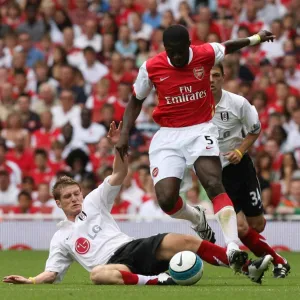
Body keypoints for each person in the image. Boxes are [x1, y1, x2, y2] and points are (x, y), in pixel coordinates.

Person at [3, 122, 272, 286]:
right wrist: (30, 280)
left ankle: (248, 267)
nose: (75, 198)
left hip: (132, 248)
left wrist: (119, 147)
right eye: (69, 197)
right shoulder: (61, 237)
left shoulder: (94, 201)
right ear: (58, 203)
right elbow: (52, 273)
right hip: (114, 266)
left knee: (185, 241)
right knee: (97, 275)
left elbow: (119, 174)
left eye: (76, 193)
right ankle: (158, 281)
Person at [116, 24, 275, 269]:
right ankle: (197, 218)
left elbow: (229, 46)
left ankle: (232, 246)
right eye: (171, 52)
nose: (177, 57)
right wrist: (124, 132)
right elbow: (136, 100)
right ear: (165, 49)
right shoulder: (151, 67)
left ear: (189, 45)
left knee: (213, 182)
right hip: (168, 135)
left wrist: (255, 38)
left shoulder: (205, 53)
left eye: (180, 51)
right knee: (167, 200)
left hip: (200, 129)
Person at [210, 64, 290, 278]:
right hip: (216, 175)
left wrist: (239, 149)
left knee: (258, 225)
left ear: (223, 77)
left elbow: (255, 130)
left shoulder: (238, 103)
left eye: (216, 75)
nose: (211, 80)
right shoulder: (196, 107)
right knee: (242, 228)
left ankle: (262, 260)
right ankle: (278, 261)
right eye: (207, 76)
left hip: (241, 166)